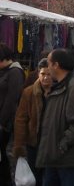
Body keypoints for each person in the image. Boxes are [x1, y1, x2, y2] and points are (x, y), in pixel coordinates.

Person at [36, 49, 74, 186]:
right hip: (56, 157)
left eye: (49, 63)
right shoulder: (61, 85)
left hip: (67, 159)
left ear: (56, 65)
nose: (47, 67)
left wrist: (62, 144)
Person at [13, 58, 52, 186]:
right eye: (43, 74)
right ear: (38, 74)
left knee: (50, 177)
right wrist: (19, 146)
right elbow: (21, 119)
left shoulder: (58, 92)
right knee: (35, 176)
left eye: (49, 74)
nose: (46, 78)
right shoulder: (29, 92)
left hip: (52, 144)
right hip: (34, 143)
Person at [0, 43, 25, 186]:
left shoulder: (15, 72)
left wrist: (2, 122)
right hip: (3, 119)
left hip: (6, 121)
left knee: (2, 150)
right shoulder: (5, 71)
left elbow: (12, 100)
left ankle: (5, 179)